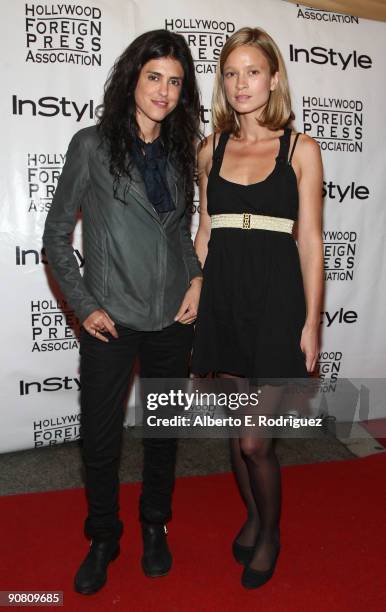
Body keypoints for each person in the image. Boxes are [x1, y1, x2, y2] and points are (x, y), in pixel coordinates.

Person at [43, 29, 203, 594]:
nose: (163, 91)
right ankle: (103, 537)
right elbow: (57, 236)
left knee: (163, 432)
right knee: (103, 437)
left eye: (175, 82)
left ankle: (155, 525)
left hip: (170, 322)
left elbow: (180, 236)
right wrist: (85, 306)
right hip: (110, 320)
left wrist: (198, 279)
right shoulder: (92, 144)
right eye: (154, 77)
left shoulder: (183, 152)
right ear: (132, 78)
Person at [192, 27, 323, 589]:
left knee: (255, 439)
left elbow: (312, 239)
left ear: (273, 79)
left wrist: (313, 321)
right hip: (222, 298)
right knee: (232, 431)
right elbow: (204, 232)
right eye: (230, 73)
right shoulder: (210, 149)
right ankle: (250, 516)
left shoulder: (301, 149)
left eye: (252, 71)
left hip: (275, 302)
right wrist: (195, 296)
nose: (241, 83)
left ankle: (270, 533)